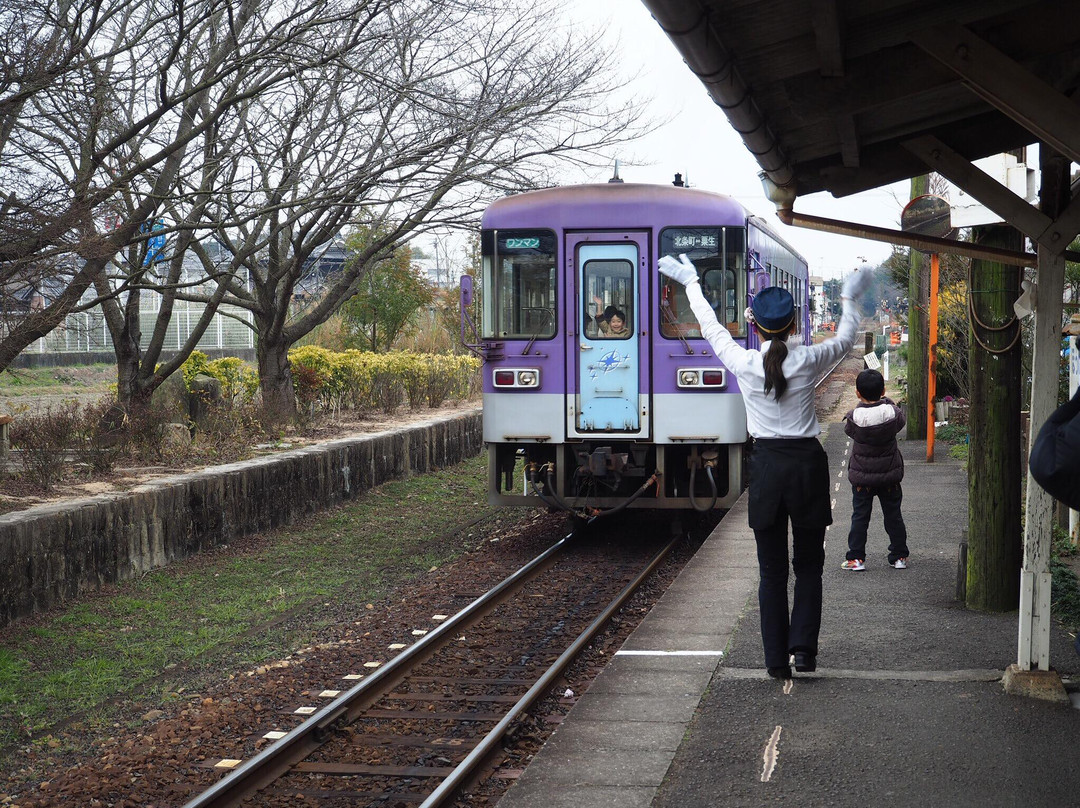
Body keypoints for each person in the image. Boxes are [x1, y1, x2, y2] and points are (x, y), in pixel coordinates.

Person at [659, 253, 871, 680]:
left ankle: (776, 660)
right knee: (808, 566)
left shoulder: (743, 363)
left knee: (771, 571)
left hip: (768, 469)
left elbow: (711, 328)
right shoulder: (809, 359)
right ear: (793, 326)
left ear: (755, 327)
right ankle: (805, 652)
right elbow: (848, 337)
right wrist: (848, 295)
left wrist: (692, 284)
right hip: (807, 467)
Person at [840, 368, 909, 571]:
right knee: (893, 516)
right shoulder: (892, 413)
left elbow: (849, 430)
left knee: (860, 517)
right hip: (890, 477)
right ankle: (899, 557)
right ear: (883, 391)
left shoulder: (855, 417)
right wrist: (886, 401)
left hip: (863, 479)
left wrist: (862, 404)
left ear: (857, 393)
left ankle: (856, 558)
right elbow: (900, 421)